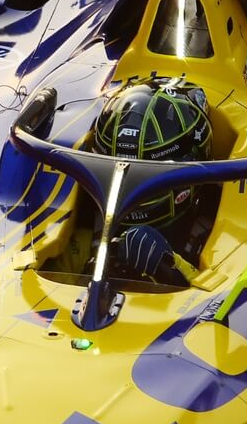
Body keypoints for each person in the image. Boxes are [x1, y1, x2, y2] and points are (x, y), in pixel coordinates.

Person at [87, 78, 217, 286]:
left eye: (144, 174)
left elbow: (227, 291)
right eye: (116, 171)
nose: (128, 187)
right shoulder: (83, 218)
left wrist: (172, 266)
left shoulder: (222, 222)